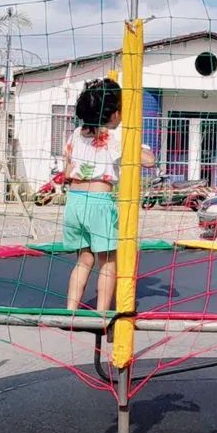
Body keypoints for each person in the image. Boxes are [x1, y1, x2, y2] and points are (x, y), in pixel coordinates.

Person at [62, 78, 156, 313]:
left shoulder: (75, 134)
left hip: (74, 203)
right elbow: (149, 162)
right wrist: (137, 144)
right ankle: (102, 313)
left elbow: (66, 169)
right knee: (108, 262)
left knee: (84, 259)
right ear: (114, 114)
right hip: (99, 204)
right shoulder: (114, 136)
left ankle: (70, 311)